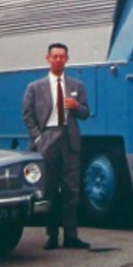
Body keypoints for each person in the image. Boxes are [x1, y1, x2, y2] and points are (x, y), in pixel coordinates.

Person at [22, 42, 91, 250]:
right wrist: (38, 139)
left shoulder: (76, 86)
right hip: (48, 139)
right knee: (49, 189)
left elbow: (86, 113)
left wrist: (77, 106)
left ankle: (71, 236)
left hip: (69, 140)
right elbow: (28, 116)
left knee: (72, 190)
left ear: (67, 60)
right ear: (48, 59)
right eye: (55, 56)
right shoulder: (35, 87)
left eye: (62, 57)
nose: (59, 60)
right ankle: (51, 236)